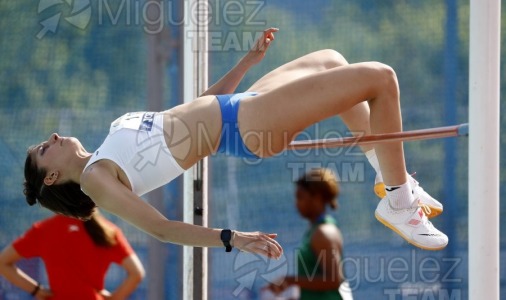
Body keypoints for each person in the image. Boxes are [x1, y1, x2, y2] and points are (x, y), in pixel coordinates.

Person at [23, 27, 448, 259]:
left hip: (239, 105)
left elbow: (198, 106)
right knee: (380, 78)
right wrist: (232, 237)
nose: (54, 138)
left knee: (333, 59)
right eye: (45, 149)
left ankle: (390, 180)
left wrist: (247, 62)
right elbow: (162, 229)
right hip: (246, 125)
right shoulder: (96, 179)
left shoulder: (110, 140)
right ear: (54, 176)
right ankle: (397, 198)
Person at [0, 212, 144, 299]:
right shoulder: (108, 231)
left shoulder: (44, 229)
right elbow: (137, 273)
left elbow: (3, 262)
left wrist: (37, 290)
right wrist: (114, 298)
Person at [266, 168, 352, 300]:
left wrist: (291, 281)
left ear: (317, 198)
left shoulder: (324, 233)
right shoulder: (314, 230)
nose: (296, 203)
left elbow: (334, 280)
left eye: (300, 197)